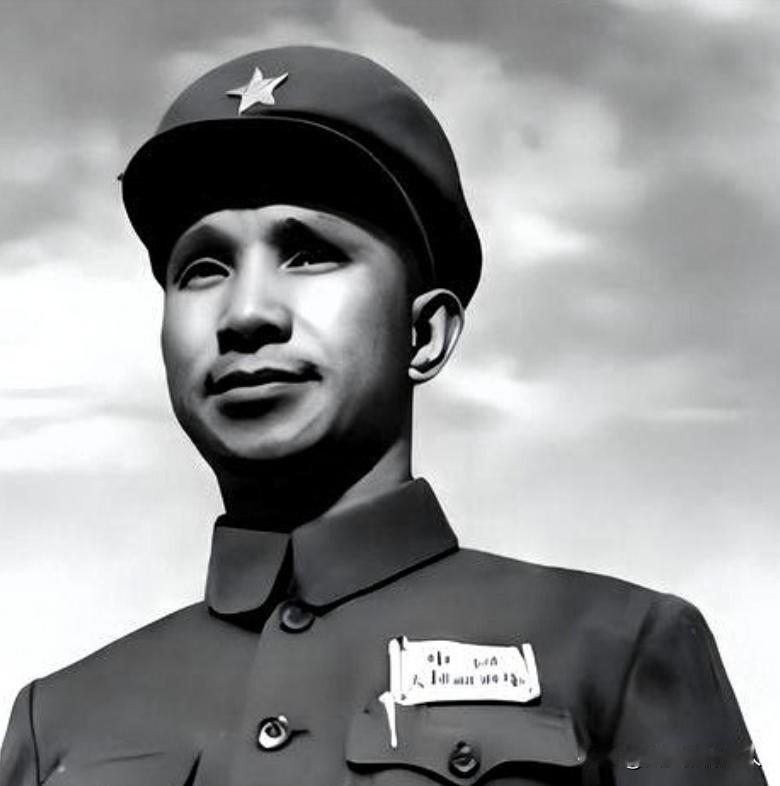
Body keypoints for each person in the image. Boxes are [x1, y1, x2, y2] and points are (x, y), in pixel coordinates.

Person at [0, 45, 766, 786]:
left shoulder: (613, 651)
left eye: (309, 254)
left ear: (423, 332)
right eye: (203, 269)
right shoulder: (59, 722)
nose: (246, 314)